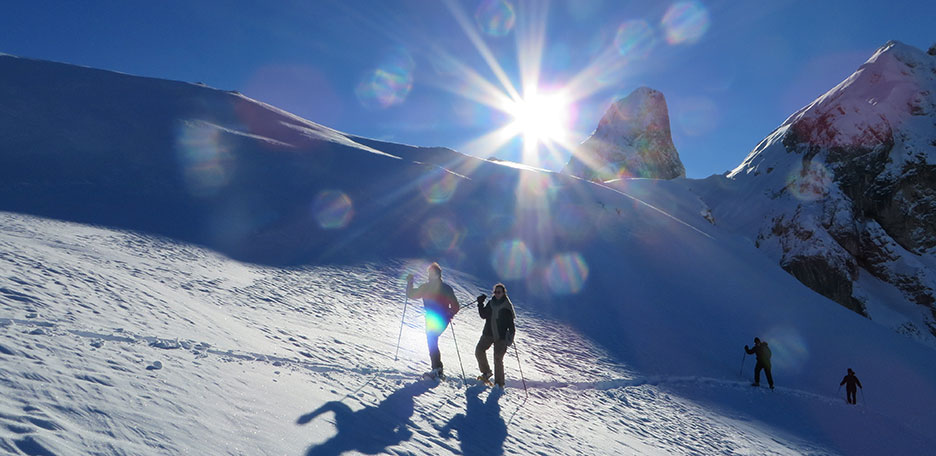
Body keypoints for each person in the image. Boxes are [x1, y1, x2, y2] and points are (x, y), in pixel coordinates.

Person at [406, 262, 460, 379]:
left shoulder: (445, 289)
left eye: (433, 273)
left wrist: (450, 313)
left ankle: (437, 369)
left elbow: (455, 305)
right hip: (431, 318)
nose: (431, 275)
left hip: (441, 318)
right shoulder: (426, 287)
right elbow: (411, 294)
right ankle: (437, 369)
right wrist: (410, 282)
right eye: (430, 273)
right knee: (431, 340)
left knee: (432, 338)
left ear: (438, 274)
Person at [474, 283, 516, 389]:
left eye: (499, 292)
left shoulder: (507, 307)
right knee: (479, 350)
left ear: (503, 293)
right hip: (488, 333)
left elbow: (511, 325)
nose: (497, 294)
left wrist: (510, 337)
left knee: (497, 359)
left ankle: (499, 384)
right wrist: (480, 303)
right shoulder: (491, 303)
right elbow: (483, 315)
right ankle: (486, 372)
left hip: (501, 337)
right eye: (495, 292)